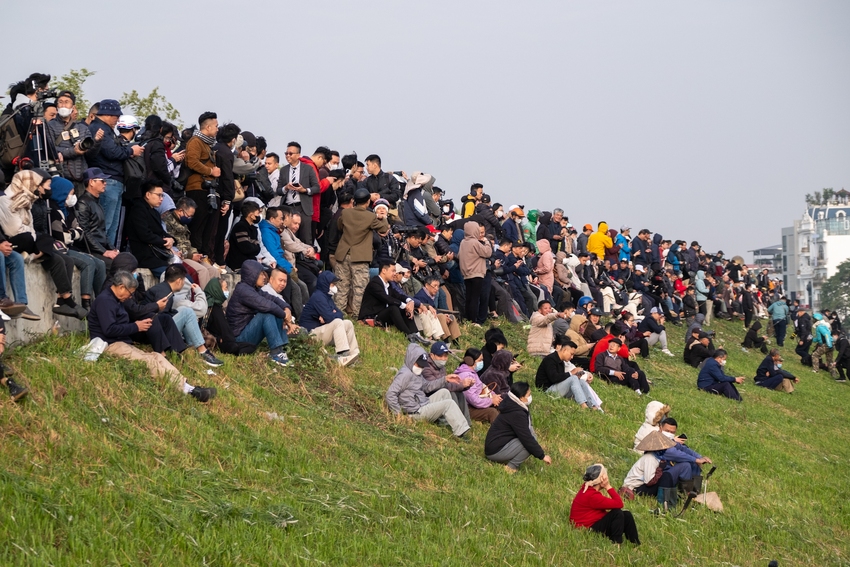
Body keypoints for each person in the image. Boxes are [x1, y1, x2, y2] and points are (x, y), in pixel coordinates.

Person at [88, 270, 216, 402]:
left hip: (122, 343)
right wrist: (136, 326)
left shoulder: (116, 300)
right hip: (110, 345)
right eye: (130, 293)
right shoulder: (105, 301)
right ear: (121, 287)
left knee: (156, 356)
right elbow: (109, 329)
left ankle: (188, 386)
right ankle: (186, 390)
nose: (130, 297)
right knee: (148, 361)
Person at [0, 169, 86, 318]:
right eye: (44, 185)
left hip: (24, 241)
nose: (46, 189)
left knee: (64, 258)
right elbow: (15, 230)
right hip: (15, 241)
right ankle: (67, 300)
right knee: (41, 247)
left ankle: (25, 304)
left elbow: (32, 230)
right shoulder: (5, 200)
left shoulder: (29, 202)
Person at [87, 99, 145, 247]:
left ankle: (110, 253)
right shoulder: (98, 128)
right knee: (106, 223)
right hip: (108, 179)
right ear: (107, 114)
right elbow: (111, 152)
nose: (117, 120)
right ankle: (102, 253)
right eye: (115, 116)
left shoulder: (107, 129)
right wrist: (131, 150)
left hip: (115, 180)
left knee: (113, 225)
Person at [144, 264, 223, 367]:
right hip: (153, 332)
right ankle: (202, 351)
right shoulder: (165, 293)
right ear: (179, 281)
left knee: (184, 311)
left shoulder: (163, 289)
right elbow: (160, 319)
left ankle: (194, 346)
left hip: (154, 328)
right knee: (187, 312)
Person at [385, 351, 470, 439]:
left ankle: (443, 423)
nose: (421, 368)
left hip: (422, 403)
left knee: (444, 392)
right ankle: (461, 432)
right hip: (415, 412)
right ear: (411, 360)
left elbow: (427, 386)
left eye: (422, 365)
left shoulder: (416, 373)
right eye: (419, 365)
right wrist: (398, 414)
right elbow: (390, 394)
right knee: (449, 404)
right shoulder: (405, 375)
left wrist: (445, 379)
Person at [226, 260, 294, 366]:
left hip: (247, 334)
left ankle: (281, 349)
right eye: (261, 273)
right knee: (267, 313)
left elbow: (273, 299)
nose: (264, 277)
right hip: (238, 340)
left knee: (276, 310)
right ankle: (276, 353)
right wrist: (285, 316)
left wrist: (286, 309)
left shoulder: (254, 289)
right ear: (252, 274)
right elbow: (266, 305)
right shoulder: (244, 291)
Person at [334, 187, 389, 316]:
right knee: (359, 288)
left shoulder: (345, 213)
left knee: (342, 287)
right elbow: (383, 228)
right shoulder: (370, 217)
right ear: (368, 202)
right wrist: (382, 217)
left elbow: (339, 226)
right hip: (359, 257)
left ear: (354, 201)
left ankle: (338, 313)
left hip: (343, 254)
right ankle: (357, 315)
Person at [484, 381, 552, 473]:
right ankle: (511, 467)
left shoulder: (512, 405)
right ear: (521, 398)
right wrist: (542, 456)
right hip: (495, 451)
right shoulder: (517, 413)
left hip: (495, 446)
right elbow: (526, 438)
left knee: (531, 439)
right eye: (528, 395)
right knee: (529, 442)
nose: (530, 397)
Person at [569, 463, 640, 546]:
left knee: (626, 515)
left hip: (592, 523)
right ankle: (616, 543)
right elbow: (619, 503)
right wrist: (607, 486)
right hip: (588, 528)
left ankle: (635, 543)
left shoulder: (587, 489)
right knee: (617, 513)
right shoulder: (592, 496)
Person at [358, 261, 429, 344]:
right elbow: (387, 298)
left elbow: (398, 296)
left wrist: (410, 301)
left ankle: (416, 333)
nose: (395, 274)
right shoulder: (374, 283)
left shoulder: (389, 284)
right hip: (372, 316)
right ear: (384, 270)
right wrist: (405, 306)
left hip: (383, 314)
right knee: (394, 308)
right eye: (393, 271)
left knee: (404, 309)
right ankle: (409, 334)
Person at [300, 271, 360, 367]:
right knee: (337, 322)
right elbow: (330, 317)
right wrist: (331, 315)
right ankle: (342, 354)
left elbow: (340, 314)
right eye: (332, 284)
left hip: (322, 331)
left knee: (347, 323)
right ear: (325, 284)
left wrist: (331, 315)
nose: (335, 287)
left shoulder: (328, 298)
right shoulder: (318, 297)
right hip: (311, 334)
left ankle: (353, 354)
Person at [184, 112, 222, 259]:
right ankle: (195, 254)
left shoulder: (207, 144)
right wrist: (210, 170)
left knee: (208, 226)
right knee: (198, 224)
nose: (218, 129)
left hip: (207, 189)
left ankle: (204, 255)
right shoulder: (195, 141)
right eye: (216, 126)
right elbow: (191, 162)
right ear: (207, 127)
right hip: (197, 188)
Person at [162, 197, 220, 289]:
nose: (189, 218)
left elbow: (187, 242)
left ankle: (216, 299)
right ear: (180, 211)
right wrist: (190, 255)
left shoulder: (183, 223)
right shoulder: (168, 222)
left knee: (214, 271)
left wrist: (196, 254)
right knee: (202, 271)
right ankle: (204, 300)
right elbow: (175, 246)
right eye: (188, 216)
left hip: (190, 255)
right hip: (180, 256)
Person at [535, 335, 602, 410]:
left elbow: (560, 378)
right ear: (564, 350)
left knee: (581, 381)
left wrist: (577, 377)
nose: (572, 357)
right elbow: (554, 378)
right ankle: (583, 405)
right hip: (547, 390)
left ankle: (593, 405)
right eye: (571, 354)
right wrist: (571, 373)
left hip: (556, 388)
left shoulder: (561, 361)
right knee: (573, 378)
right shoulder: (550, 359)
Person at [74, 167, 120, 270]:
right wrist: (104, 251)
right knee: (116, 266)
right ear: (91, 182)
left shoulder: (96, 202)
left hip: (99, 248)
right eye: (102, 181)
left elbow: (102, 231)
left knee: (124, 260)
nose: (105, 183)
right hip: (90, 250)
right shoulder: (83, 203)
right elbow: (85, 232)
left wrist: (113, 249)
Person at [126, 182, 174, 279]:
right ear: (148, 195)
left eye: (162, 195)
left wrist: (171, 239)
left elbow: (161, 232)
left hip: (157, 254)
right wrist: (164, 241)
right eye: (159, 195)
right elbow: (145, 235)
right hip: (145, 256)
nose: (161, 199)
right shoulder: (138, 209)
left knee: (185, 277)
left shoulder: (154, 212)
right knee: (174, 278)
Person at [279, 142, 320, 245]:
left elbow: (317, 187)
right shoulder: (283, 170)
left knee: (306, 238)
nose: (288, 156)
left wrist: (305, 190)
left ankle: (306, 260)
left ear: (298, 155)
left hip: (303, 208)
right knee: (289, 238)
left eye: (290, 153)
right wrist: (286, 188)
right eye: (286, 153)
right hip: (288, 207)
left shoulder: (308, 169)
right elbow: (278, 190)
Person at [459, 221, 493, 325]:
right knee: (475, 298)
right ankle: (474, 320)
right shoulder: (475, 242)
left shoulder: (463, 242)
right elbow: (487, 252)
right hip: (476, 273)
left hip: (466, 274)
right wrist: (487, 242)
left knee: (468, 297)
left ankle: (468, 319)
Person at [457, 348, 500, 424]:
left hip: (475, 404)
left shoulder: (472, 373)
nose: (482, 362)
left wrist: (493, 395)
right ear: (470, 361)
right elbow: (474, 400)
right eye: (480, 360)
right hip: (468, 408)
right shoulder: (466, 376)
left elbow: (481, 386)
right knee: (492, 412)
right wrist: (491, 401)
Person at [226, 200, 263, 271]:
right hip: (239, 264)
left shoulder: (253, 228)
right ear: (251, 215)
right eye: (258, 213)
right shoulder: (240, 227)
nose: (259, 216)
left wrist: (253, 246)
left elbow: (258, 249)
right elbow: (246, 248)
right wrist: (254, 246)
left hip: (250, 262)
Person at [811, 313, 838, 379]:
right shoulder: (823, 326)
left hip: (827, 344)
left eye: (813, 319)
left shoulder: (820, 327)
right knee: (829, 360)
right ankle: (834, 374)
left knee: (815, 355)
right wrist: (811, 339)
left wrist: (828, 344)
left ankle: (815, 370)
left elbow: (826, 335)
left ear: (816, 320)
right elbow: (819, 338)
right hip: (831, 344)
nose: (812, 320)